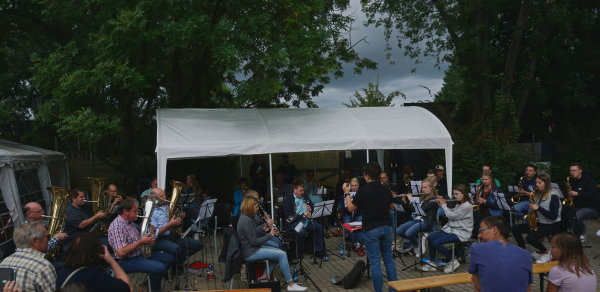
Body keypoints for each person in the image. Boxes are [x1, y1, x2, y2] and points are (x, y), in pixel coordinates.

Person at [343, 162, 396, 292]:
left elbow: (350, 208)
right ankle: (394, 290)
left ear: (366, 176)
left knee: (375, 262)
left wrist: (347, 193)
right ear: (378, 175)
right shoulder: (385, 189)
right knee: (388, 260)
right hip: (387, 227)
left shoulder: (363, 191)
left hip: (372, 228)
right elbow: (391, 207)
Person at [237, 196, 307, 292]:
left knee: (279, 252)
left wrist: (263, 227)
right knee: (282, 254)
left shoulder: (246, 216)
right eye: (256, 207)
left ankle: (264, 276)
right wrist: (270, 234)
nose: (258, 209)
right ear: (250, 207)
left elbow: (253, 232)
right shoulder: (246, 220)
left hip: (252, 248)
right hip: (250, 251)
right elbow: (254, 241)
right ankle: (291, 284)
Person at [108, 198, 174, 292]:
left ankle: (147, 285)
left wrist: (150, 229)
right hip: (126, 261)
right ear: (125, 212)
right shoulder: (117, 227)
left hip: (139, 254)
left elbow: (142, 232)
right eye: (135, 211)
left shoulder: (129, 221)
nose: (137, 213)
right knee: (160, 267)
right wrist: (141, 242)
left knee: (169, 258)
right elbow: (121, 252)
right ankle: (153, 289)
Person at [469, 216, 532, 292]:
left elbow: (478, 286)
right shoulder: (526, 254)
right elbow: (527, 288)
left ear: (494, 230)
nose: (479, 235)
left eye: (481, 231)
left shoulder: (477, 249)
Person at [422, 184, 473, 273]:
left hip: (461, 233)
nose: (454, 196)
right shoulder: (459, 204)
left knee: (436, 242)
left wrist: (444, 205)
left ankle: (453, 260)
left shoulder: (467, 206)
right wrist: (442, 205)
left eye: (457, 194)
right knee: (430, 237)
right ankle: (433, 263)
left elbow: (452, 216)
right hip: (451, 229)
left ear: (463, 194)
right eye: (454, 194)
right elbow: (451, 214)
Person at [511, 174, 562, 263]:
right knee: (515, 228)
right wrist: (531, 212)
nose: (536, 185)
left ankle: (545, 252)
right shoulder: (538, 195)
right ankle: (523, 252)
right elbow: (535, 211)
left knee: (530, 238)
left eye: (539, 183)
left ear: (546, 184)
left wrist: (538, 208)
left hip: (553, 224)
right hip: (541, 223)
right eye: (536, 182)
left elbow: (553, 216)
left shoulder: (553, 196)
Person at [56, 232, 131, 292]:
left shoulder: (62, 270)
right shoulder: (95, 276)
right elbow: (127, 287)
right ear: (97, 252)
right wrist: (111, 260)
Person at [149, 188, 203, 265]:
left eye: (165, 195)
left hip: (173, 236)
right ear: (155, 198)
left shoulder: (167, 206)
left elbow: (174, 219)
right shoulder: (152, 212)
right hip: (160, 240)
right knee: (177, 249)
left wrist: (180, 216)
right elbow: (155, 234)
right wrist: (170, 224)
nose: (165, 197)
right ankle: (174, 265)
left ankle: (175, 263)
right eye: (162, 196)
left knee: (198, 245)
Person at [0, 222, 56, 292]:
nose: (49, 240)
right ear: (35, 241)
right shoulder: (44, 267)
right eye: (48, 237)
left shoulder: (3, 263)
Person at [395, 178, 438, 256]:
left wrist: (412, 200)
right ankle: (417, 241)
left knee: (408, 233)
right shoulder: (423, 198)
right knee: (398, 231)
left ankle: (416, 245)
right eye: (422, 187)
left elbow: (423, 208)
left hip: (427, 222)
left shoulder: (433, 199)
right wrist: (405, 202)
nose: (423, 189)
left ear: (431, 188)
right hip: (418, 219)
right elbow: (414, 210)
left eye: (425, 187)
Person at [283, 180, 325, 257]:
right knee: (302, 231)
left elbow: (312, 206)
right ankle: (298, 253)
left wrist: (310, 209)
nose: (302, 192)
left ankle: (319, 251)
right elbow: (288, 217)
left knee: (319, 227)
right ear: (294, 190)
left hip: (306, 221)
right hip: (294, 222)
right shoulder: (288, 199)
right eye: (300, 190)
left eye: (303, 190)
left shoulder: (304, 196)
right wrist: (302, 215)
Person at [566, 162, 599, 243]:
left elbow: (593, 195)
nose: (572, 172)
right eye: (571, 171)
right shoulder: (571, 180)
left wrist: (577, 193)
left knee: (576, 215)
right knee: (565, 212)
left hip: (591, 207)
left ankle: (582, 235)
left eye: (574, 170)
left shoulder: (589, 181)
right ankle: (570, 232)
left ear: (580, 171)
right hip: (578, 205)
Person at [341, 178, 364, 256]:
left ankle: (357, 244)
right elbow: (344, 208)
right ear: (350, 186)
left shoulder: (361, 193)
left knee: (359, 223)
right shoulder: (346, 193)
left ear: (359, 186)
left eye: (356, 185)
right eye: (352, 185)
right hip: (348, 213)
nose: (354, 187)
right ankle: (356, 242)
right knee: (347, 224)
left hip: (359, 212)